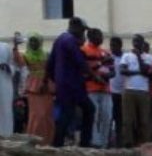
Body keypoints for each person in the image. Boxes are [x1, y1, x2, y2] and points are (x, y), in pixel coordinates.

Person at [47, 17, 94, 147]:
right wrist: (95, 76)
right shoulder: (70, 40)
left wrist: (55, 79)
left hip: (63, 84)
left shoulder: (60, 39)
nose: (83, 34)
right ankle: (84, 143)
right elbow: (81, 62)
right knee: (88, 109)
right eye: (83, 31)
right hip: (73, 84)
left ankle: (58, 144)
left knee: (67, 113)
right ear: (76, 27)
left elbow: (50, 63)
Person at [82, 28, 114, 148]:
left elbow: (113, 71)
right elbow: (83, 70)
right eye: (99, 36)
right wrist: (97, 72)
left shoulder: (106, 52)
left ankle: (104, 144)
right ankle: (95, 143)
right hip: (90, 89)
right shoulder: (83, 51)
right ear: (90, 36)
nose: (101, 38)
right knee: (94, 117)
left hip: (105, 89)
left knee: (107, 116)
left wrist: (106, 76)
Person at [119, 34, 152, 147]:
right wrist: (137, 72)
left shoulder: (148, 57)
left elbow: (146, 71)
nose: (136, 44)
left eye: (139, 42)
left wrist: (139, 57)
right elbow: (122, 71)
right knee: (128, 120)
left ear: (143, 43)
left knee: (144, 120)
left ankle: (144, 143)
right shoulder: (126, 56)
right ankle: (128, 143)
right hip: (129, 90)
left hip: (143, 91)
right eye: (135, 41)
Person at [20, 33, 53, 144]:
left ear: (40, 42)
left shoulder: (46, 54)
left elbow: (51, 68)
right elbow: (18, 62)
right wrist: (15, 47)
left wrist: (47, 82)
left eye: (36, 41)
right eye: (32, 41)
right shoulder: (26, 55)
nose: (34, 43)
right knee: (36, 115)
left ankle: (48, 140)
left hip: (47, 87)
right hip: (33, 87)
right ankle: (33, 140)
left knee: (46, 115)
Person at [0, 35, 26, 138]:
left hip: (5, 81)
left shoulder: (5, 47)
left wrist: (8, 67)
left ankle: (5, 135)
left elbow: (16, 66)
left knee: (5, 109)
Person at [108, 36, 125, 146]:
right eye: (111, 45)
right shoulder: (109, 58)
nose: (112, 47)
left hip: (123, 93)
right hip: (111, 92)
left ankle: (120, 142)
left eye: (114, 45)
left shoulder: (126, 57)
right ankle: (108, 141)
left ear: (120, 45)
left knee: (121, 119)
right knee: (110, 118)